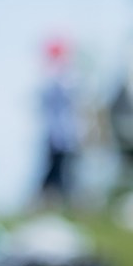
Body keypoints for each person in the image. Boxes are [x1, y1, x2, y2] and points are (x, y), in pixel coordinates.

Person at [36, 37, 82, 207]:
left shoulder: (66, 76)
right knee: (56, 171)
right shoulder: (55, 77)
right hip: (57, 135)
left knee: (64, 171)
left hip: (66, 135)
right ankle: (50, 201)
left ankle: (64, 202)